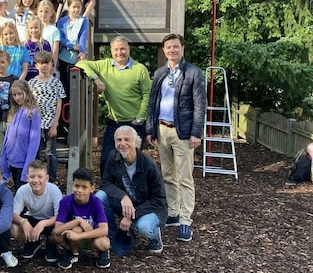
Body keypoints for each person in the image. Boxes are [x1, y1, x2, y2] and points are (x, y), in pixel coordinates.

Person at [145, 33, 206, 243]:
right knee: (168, 174)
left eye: (176, 47)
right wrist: (150, 128)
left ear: (182, 49)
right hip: (162, 130)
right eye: (168, 47)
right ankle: (173, 212)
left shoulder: (193, 73)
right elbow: (152, 103)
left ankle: (186, 222)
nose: (172, 50)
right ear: (164, 50)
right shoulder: (160, 73)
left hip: (183, 132)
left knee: (185, 178)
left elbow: (200, 106)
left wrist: (196, 133)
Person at [76, 36, 151, 174]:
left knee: (131, 162)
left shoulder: (139, 69)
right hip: (114, 123)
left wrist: (139, 118)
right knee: (106, 160)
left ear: (128, 49)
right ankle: (108, 191)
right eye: (116, 49)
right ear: (111, 51)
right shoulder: (105, 65)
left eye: (122, 48)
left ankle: (130, 193)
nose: (119, 52)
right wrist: (96, 79)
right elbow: (81, 64)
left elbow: (147, 94)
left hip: (134, 123)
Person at [95, 126, 167, 257]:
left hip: (148, 207)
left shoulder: (148, 165)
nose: (122, 143)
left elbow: (159, 199)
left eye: (127, 139)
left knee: (144, 228)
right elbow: (105, 183)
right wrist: (123, 197)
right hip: (125, 203)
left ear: (136, 143)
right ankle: (112, 236)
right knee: (99, 197)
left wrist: (130, 216)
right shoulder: (113, 157)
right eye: (119, 140)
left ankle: (155, 235)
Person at [51, 167, 110, 269]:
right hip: (73, 237)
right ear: (72, 184)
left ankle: (103, 253)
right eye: (76, 186)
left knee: (104, 243)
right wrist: (78, 221)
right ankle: (74, 253)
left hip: (91, 237)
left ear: (92, 188)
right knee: (72, 230)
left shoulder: (96, 202)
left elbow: (104, 230)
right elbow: (57, 230)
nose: (79, 190)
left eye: (84, 187)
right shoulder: (66, 201)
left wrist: (79, 236)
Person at [10, 160, 63, 262]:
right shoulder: (23, 190)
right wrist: (23, 222)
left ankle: (50, 244)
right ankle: (33, 241)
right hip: (32, 219)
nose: (35, 180)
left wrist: (43, 223)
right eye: (32, 176)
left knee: (60, 233)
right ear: (27, 178)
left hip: (51, 221)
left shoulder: (54, 190)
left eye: (40, 177)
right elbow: (13, 213)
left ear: (46, 178)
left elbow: (60, 216)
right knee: (13, 228)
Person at [28, 51, 66, 182]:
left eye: (46, 63)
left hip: (50, 122)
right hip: (35, 123)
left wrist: (55, 124)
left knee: (51, 153)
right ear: (36, 65)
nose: (44, 66)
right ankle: (37, 177)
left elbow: (59, 105)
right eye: (40, 63)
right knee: (36, 151)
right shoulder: (32, 83)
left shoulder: (56, 82)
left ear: (51, 65)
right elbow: (29, 102)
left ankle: (51, 179)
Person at [0, 80, 41, 189]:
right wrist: (3, 163)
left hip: (24, 165)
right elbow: (7, 139)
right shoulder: (14, 112)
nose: (17, 97)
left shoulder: (33, 113)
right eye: (14, 95)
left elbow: (34, 142)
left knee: (24, 196)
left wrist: (26, 170)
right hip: (12, 161)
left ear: (26, 92)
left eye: (20, 94)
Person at [57, 0, 88, 122]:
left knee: (73, 87)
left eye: (78, 7)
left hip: (75, 58)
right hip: (63, 56)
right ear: (68, 7)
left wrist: (81, 50)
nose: (76, 10)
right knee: (63, 86)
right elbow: (60, 37)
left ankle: (71, 115)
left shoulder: (82, 20)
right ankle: (62, 118)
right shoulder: (62, 21)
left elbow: (83, 36)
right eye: (73, 7)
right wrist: (70, 45)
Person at [24, 16, 52, 81]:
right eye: (31, 28)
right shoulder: (24, 44)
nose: (33, 30)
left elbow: (51, 63)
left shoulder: (45, 44)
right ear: (28, 29)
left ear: (40, 28)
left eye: (36, 28)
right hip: (27, 79)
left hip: (42, 79)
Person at [37, 0, 61, 70]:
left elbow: (55, 51)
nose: (43, 14)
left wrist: (53, 66)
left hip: (48, 63)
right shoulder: (35, 28)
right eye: (41, 11)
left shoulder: (54, 30)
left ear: (51, 13)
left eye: (46, 11)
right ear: (37, 12)